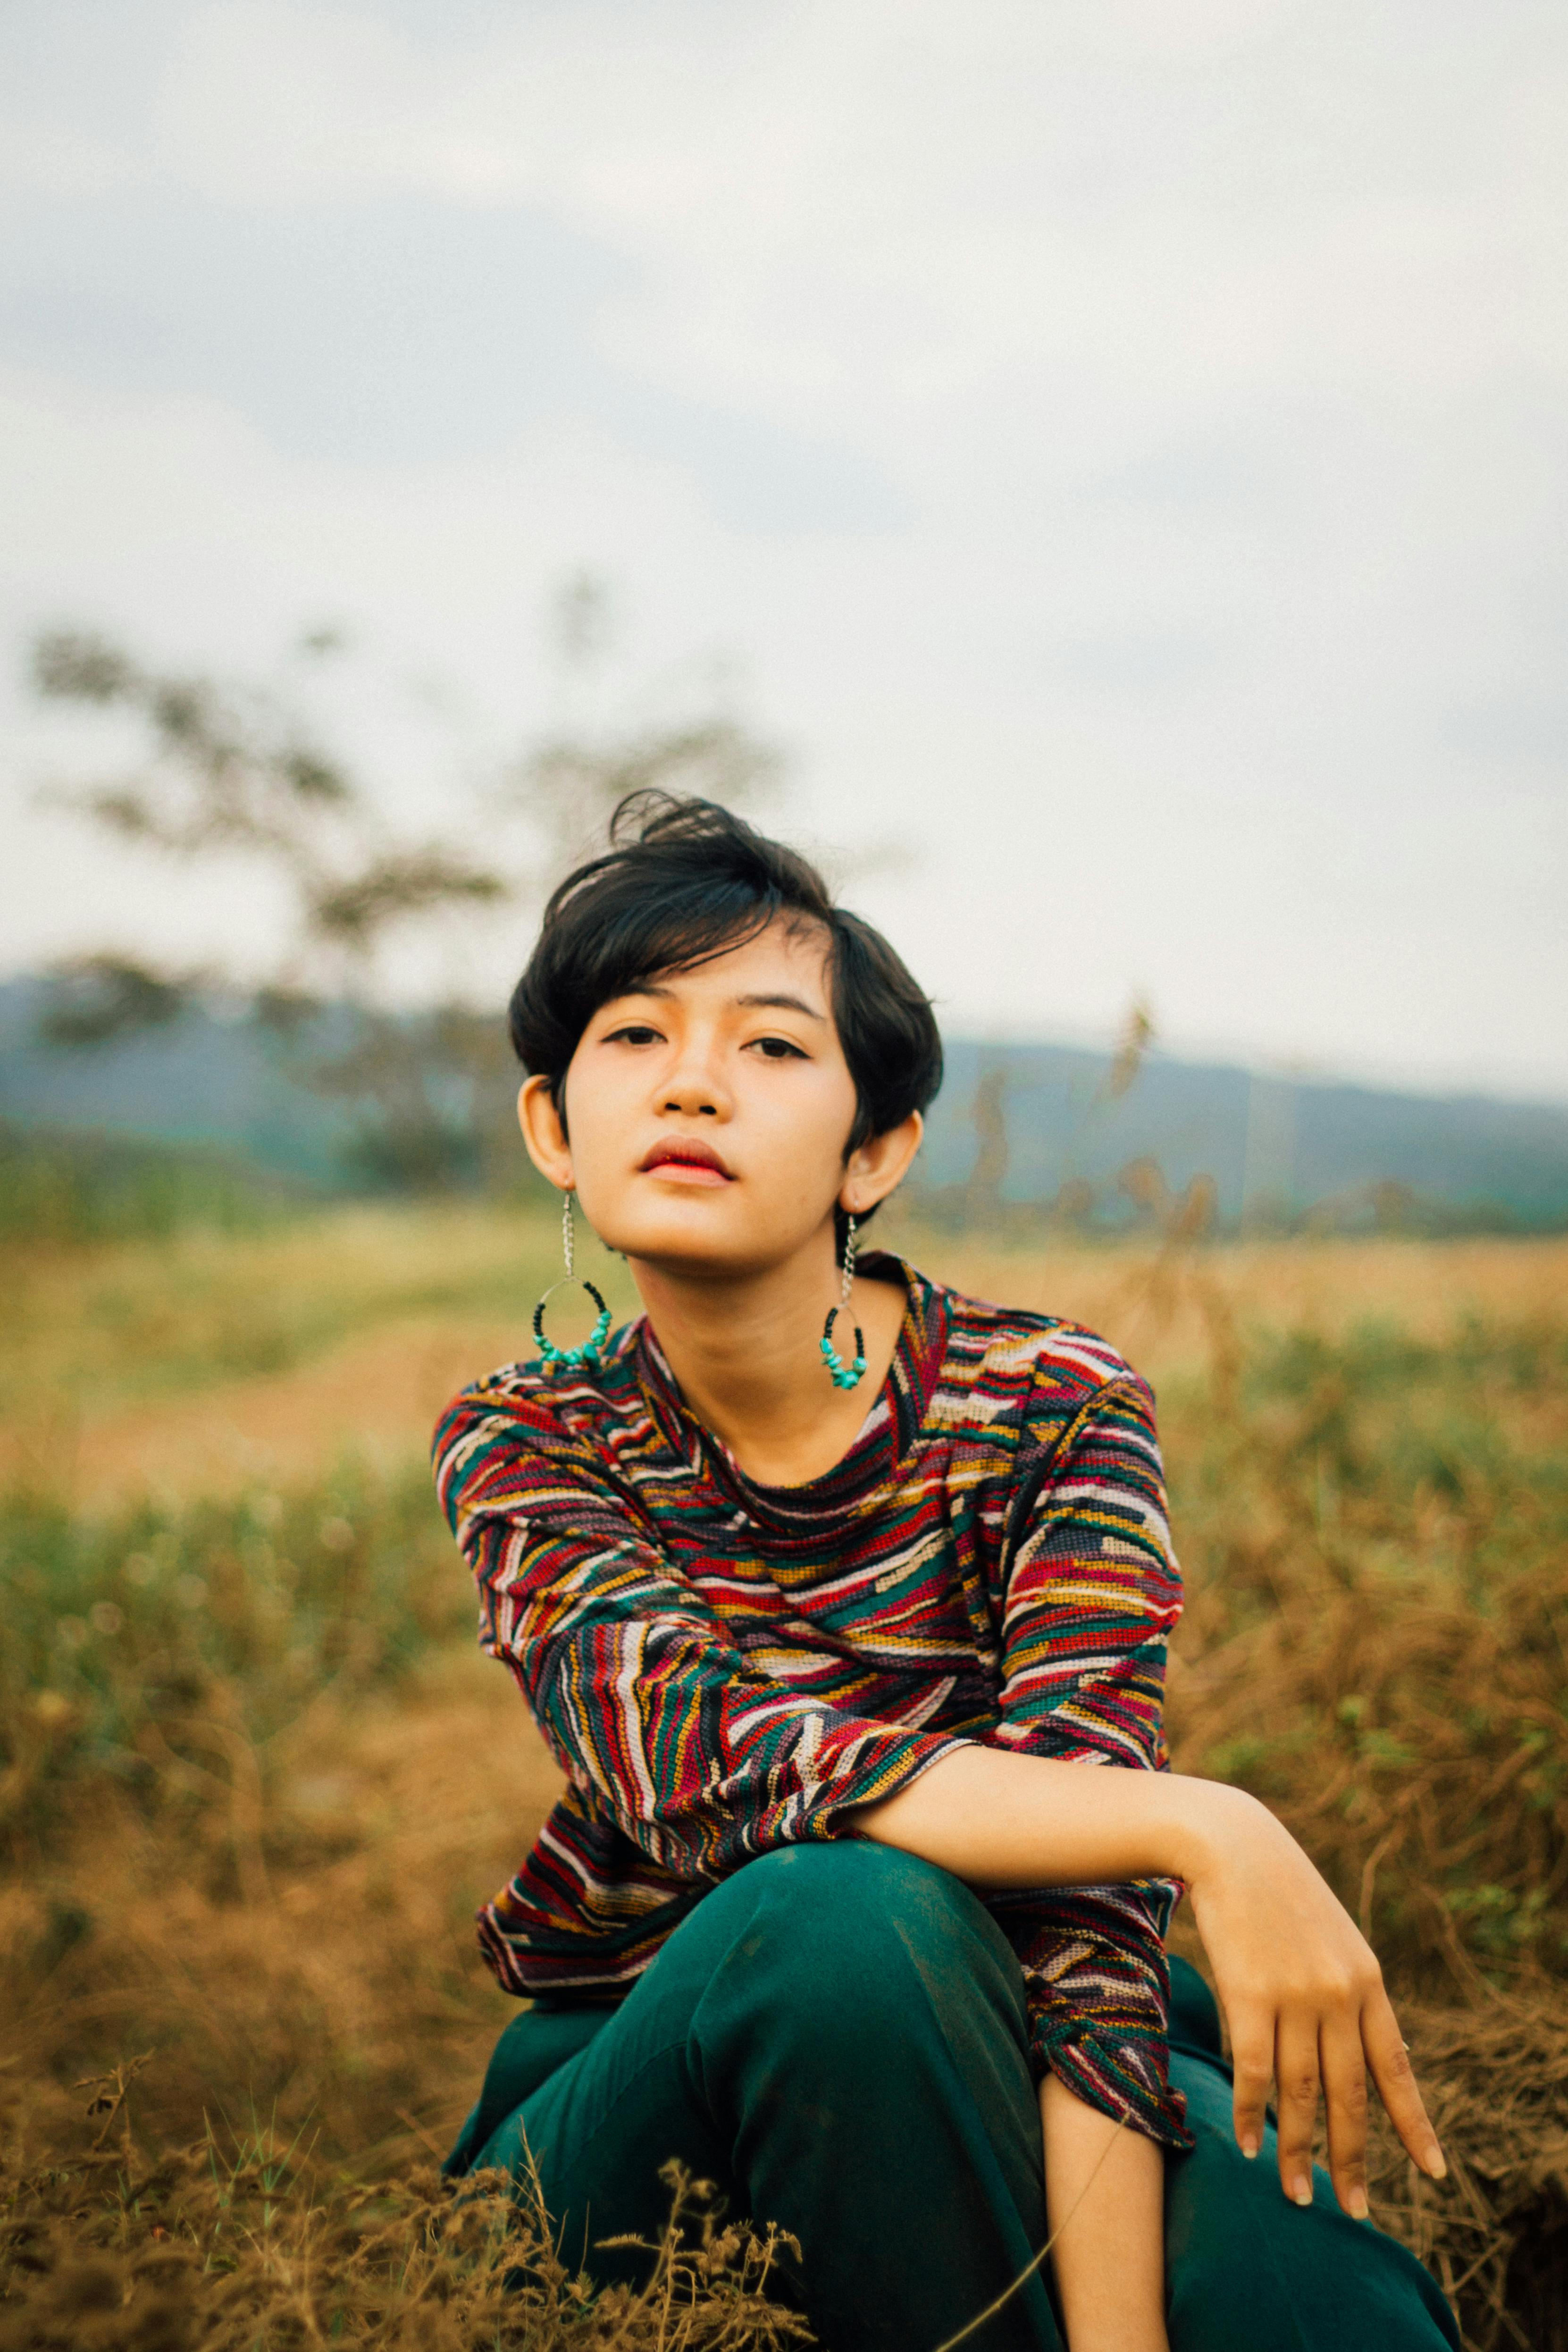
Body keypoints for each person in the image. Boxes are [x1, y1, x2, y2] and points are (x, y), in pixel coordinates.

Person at [434, 793, 1457, 2352]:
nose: (695, 1082)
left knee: (1300, 2292)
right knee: (837, 1919)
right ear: (553, 1130)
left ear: (874, 1149)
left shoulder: (1052, 1401)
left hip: (1024, 2021)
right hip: (652, 2080)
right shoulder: (528, 1440)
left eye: (771, 1047)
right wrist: (1203, 1820)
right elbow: (709, 1763)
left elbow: (1083, 1915)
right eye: (636, 1036)